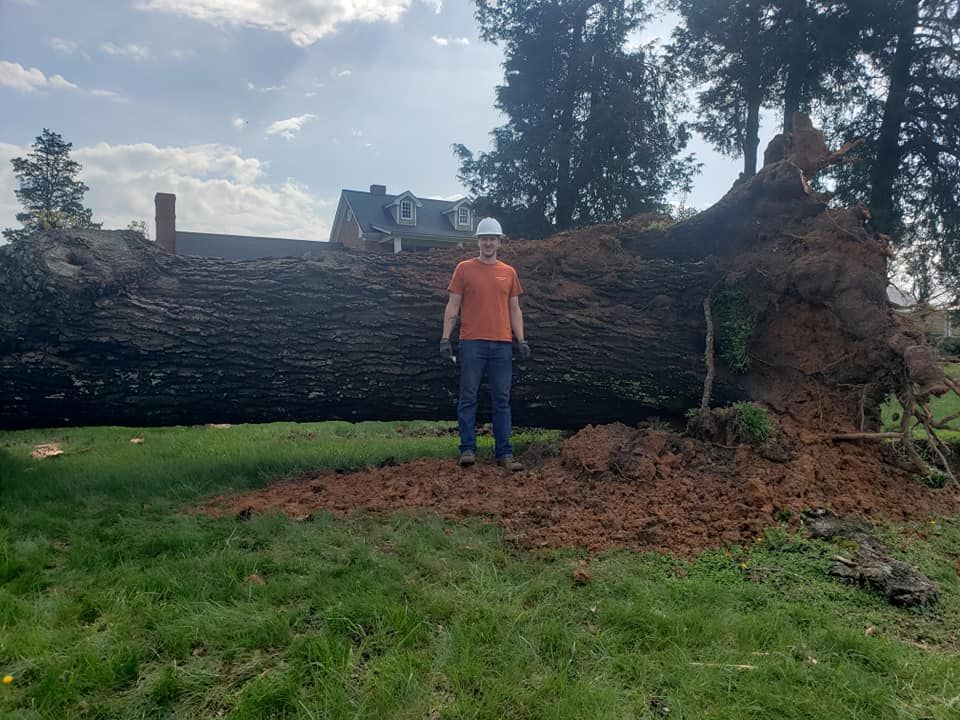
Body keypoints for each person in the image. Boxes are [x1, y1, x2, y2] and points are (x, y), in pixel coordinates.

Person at [440, 217, 531, 470]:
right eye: (484, 238)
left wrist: (520, 339)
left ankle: (504, 453)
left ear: (499, 242)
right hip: (472, 343)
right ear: (478, 241)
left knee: (501, 400)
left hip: (502, 345)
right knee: (468, 397)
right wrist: (445, 338)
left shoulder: (509, 272)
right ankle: (467, 449)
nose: (488, 242)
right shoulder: (464, 269)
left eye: (492, 238)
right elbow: (453, 305)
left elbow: (515, 309)